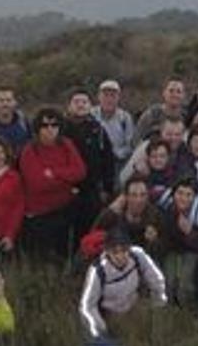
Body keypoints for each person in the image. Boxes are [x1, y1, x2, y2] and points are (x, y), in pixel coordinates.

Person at [18, 108, 87, 260]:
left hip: (65, 209)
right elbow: (37, 183)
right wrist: (66, 180)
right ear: (38, 128)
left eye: (54, 125)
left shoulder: (66, 144)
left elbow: (80, 172)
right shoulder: (30, 151)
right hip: (40, 215)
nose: (50, 129)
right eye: (45, 125)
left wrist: (54, 173)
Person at [79, 228, 167, 338]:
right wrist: (100, 330)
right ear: (107, 251)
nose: (120, 256)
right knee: (122, 339)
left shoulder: (138, 255)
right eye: (115, 252)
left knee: (146, 332)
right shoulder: (98, 271)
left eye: (124, 251)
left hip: (134, 305)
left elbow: (156, 279)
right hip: (111, 314)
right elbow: (87, 306)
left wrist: (158, 302)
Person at [62, 89, 116, 244]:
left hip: (92, 190)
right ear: (69, 106)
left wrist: (107, 188)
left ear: (90, 106)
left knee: (91, 227)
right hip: (67, 189)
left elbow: (108, 159)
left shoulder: (97, 129)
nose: (80, 105)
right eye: (76, 102)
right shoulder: (61, 129)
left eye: (84, 102)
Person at [158, 178, 198, 307]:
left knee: (185, 285)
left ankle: (187, 311)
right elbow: (163, 237)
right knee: (169, 282)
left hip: (192, 250)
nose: (183, 198)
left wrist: (189, 233)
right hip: (171, 249)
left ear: (194, 197)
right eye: (180, 193)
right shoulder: (167, 209)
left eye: (188, 195)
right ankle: (169, 310)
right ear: (173, 194)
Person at [93, 176, 166, 259]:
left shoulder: (155, 217)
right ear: (126, 196)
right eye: (134, 195)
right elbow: (94, 237)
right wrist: (109, 212)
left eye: (143, 195)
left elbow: (163, 250)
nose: (139, 200)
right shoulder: (113, 216)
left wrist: (154, 241)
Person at [119, 116, 188, 186]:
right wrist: (136, 170)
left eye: (177, 134)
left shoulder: (187, 148)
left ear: (183, 135)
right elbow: (123, 178)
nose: (173, 138)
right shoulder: (147, 147)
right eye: (169, 134)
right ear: (161, 133)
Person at [91, 79, 135, 171]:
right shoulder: (91, 115)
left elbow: (130, 145)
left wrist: (114, 154)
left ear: (118, 98)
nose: (109, 99)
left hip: (117, 163)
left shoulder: (125, 118)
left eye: (113, 96)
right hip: (93, 162)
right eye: (105, 95)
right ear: (99, 97)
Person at [134, 77, 186, 144]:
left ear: (183, 95)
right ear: (164, 93)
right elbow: (136, 138)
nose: (175, 95)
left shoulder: (186, 116)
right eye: (171, 91)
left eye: (178, 92)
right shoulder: (152, 114)